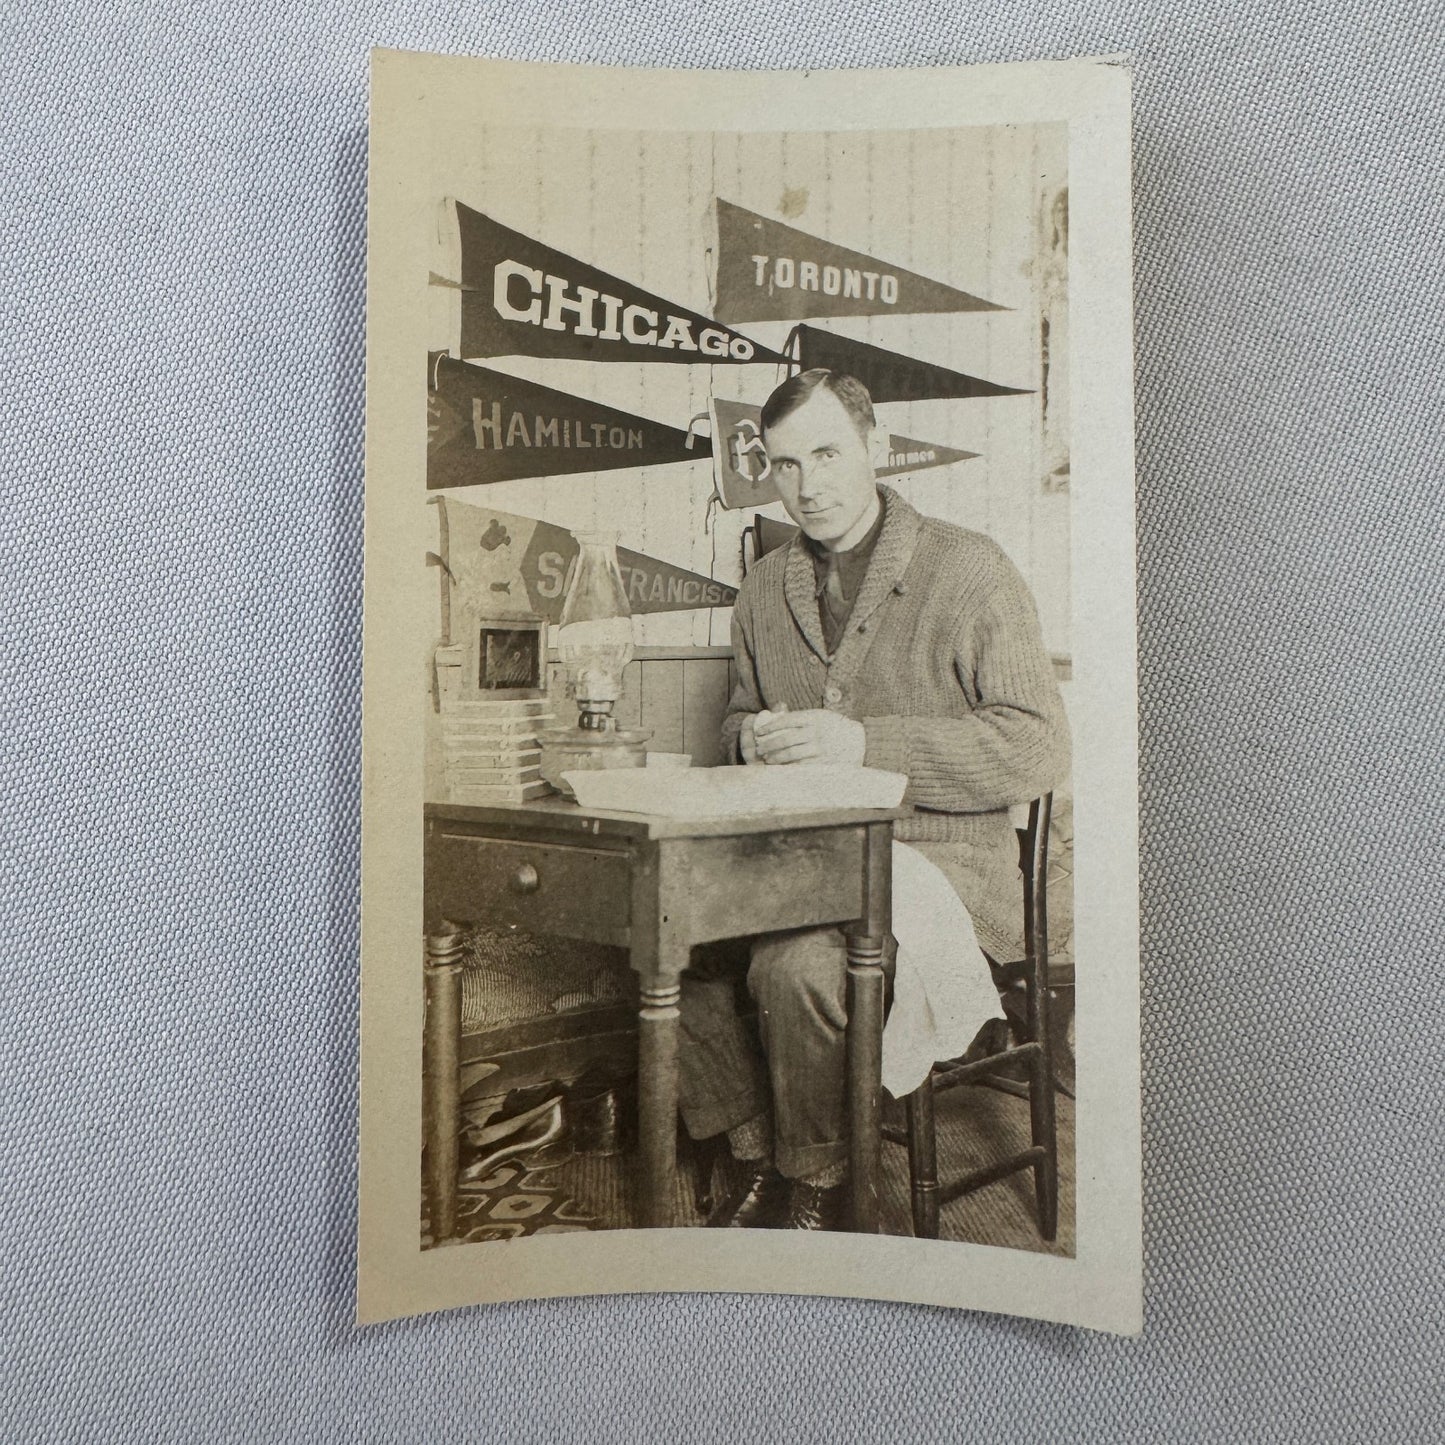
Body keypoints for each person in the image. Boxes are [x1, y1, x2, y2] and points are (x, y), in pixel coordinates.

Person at [676, 367, 1071, 1231]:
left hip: (943, 867)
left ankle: (817, 1180)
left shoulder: (968, 569)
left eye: (826, 453)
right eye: (785, 464)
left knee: (798, 966)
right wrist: (748, 738)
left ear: (877, 449)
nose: (807, 484)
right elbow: (737, 718)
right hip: (807, 859)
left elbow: (1037, 745)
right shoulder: (762, 591)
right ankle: (755, 1148)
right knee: (666, 930)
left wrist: (865, 743)